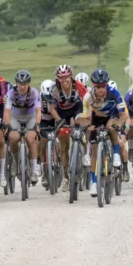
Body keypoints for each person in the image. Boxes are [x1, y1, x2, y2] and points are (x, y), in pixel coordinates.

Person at [83, 68, 128, 196]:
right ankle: (93, 183)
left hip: (112, 116)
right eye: (98, 87)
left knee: (111, 127)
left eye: (103, 86)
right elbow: (87, 117)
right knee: (94, 151)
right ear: (94, 86)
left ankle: (116, 155)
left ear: (106, 85)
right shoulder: (88, 97)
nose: (101, 90)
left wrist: (118, 126)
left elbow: (123, 115)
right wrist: (89, 126)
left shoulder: (114, 93)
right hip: (96, 118)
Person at [48, 64, 89, 192]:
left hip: (77, 109)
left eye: (66, 77)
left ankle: (86, 152)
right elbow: (52, 109)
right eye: (61, 78)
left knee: (84, 126)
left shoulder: (79, 87)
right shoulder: (54, 89)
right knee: (63, 143)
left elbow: (88, 104)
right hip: (62, 113)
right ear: (57, 78)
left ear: (71, 76)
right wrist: (59, 121)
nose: (64, 80)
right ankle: (65, 176)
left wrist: (86, 121)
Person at [4, 70, 43, 184]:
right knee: (13, 137)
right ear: (16, 83)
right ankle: (16, 163)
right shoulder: (10, 93)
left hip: (31, 117)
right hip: (15, 117)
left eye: (24, 84)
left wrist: (37, 125)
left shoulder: (34, 92)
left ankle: (34, 170)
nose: (22, 87)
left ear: (28, 84)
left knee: (30, 139)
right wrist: (7, 125)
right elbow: (7, 111)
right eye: (19, 84)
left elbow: (38, 110)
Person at [38, 79, 56, 188]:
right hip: (43, 121)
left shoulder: (57, 96)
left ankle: (58, 159)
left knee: (60, 137)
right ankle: (44, 172)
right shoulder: (38, 98)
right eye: (46, 97)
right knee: (43, 142)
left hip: (55, 120)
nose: (49, 99)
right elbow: (35, 112)